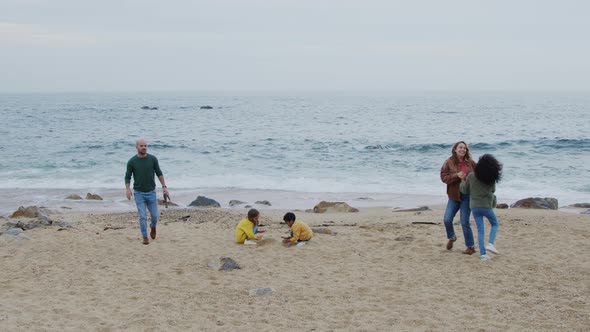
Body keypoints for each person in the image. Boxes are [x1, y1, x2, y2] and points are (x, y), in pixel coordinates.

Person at [125, 138, 169, 245]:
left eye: (145, 146)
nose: (144, 147)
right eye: (141, 146)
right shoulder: (132, 161)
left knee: (155, 216)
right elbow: (127, 177)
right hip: (138, 193)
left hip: (151, 192)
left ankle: (153, 227)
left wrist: (164, 187)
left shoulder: (153, 159)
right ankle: (145, 237)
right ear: (137, 147)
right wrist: (128, 189)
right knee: (143, 216)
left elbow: (159, 172)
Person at [460, 154, 502, 261]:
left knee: (480, 230)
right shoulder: (491, 179)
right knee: (495, 224)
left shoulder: (471, 176)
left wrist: (462, 181)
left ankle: (483, 254)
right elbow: (492, 191)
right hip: (486, 206)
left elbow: (465, 190)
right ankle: (491, 243)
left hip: (474, 207)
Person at [440, 141, 476, 255]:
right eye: (460, 147)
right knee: (447, 219)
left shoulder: (471, 163)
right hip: (454, 196)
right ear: (455, 149)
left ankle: (470, 247)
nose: (463, 150)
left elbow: (479, 176)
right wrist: (456, 176)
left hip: (467, 196)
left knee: (465, 222)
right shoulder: (448, 162)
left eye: (464, 148)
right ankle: (452, 237)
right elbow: (443, 177)